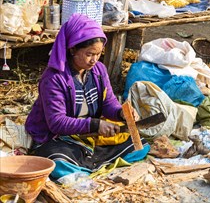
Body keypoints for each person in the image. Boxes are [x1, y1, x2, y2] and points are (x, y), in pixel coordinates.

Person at [25, 14, 149, 180]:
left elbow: (108, 103)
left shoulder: (99, 70)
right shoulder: (54, 78)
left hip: (88, 135)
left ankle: (89, 164)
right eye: (90, 54)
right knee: (58, 162)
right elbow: (57, 123)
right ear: (72, 49)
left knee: (139, 145)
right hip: (58, 138)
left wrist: (121, 113)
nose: (94, 60)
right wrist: (95, 124)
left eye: (98, 54)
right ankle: (86, 164)